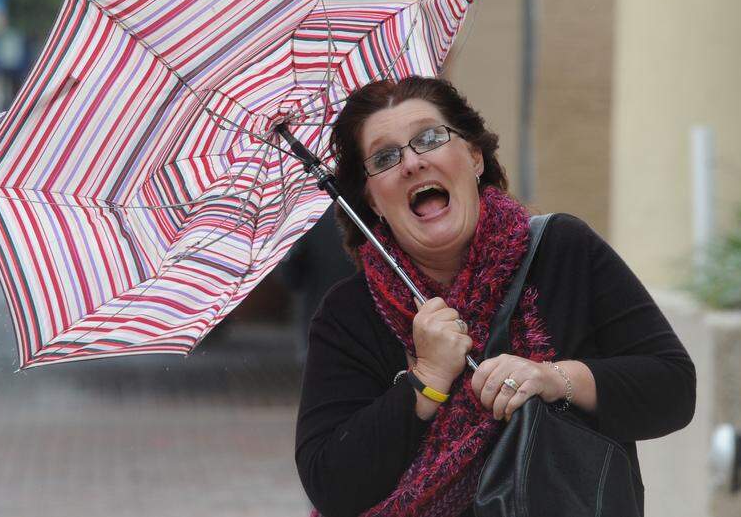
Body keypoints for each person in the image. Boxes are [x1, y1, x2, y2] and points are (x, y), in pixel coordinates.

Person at [294, 76, 695, 517]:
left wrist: (554, 378)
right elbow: (329, 484)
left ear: (474, 156)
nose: (411, 162)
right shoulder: (348, 312)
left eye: (429, 138)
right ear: (371, 200)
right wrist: (425, 381)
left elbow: (673, 389)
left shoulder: (562, 250)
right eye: (385, 157)